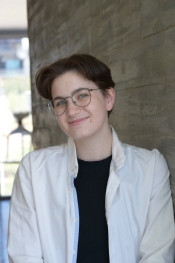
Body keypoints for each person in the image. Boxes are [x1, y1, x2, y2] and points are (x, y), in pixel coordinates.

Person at [7, 54, 175, 263]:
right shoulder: (34, 170)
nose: (72, 110)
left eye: (82, 95)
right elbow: (24, 254)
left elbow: (158, 254)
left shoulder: (150, 167)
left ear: (109, 98)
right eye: (61, 102)